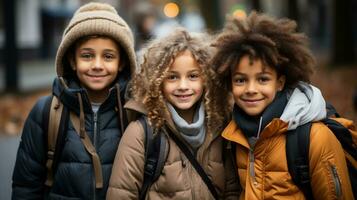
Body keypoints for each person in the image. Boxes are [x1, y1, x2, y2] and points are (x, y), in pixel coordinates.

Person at [210, 12, 354, 199]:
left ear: (280, 82)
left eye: (263, 79)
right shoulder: (232, 136)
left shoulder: (315, 138)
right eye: (240, 80)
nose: (251, 89)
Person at [12, 2, 136, 199]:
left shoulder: (135, 113)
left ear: (122, 62)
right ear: (71, 60)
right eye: (87, 56)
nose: (97, 65)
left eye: (108, 56)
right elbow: (26, 186)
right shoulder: (46, 112)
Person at [107, 28, 240, 199]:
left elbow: (232, 191)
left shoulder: (219, 126)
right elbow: (122, 194)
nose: (183, 86)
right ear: (158, 82)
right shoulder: (141, 132)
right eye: (172, 77)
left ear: (207, 79)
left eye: (193, 76)